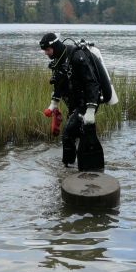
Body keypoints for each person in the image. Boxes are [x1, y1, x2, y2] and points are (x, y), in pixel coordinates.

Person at [39, 32, 104, 171]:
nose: (46, 53)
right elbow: (59, 82)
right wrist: (53, 104)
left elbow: (92, 83)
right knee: (77, 133)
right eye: (44, 50)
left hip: (87, 103)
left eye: (47, 50)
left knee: (68, 133)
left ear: (54, 46)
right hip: (75, 104)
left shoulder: (76, 56)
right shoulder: (58, 60)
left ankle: (67, 169)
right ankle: (79, 167)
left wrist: (91, 110)